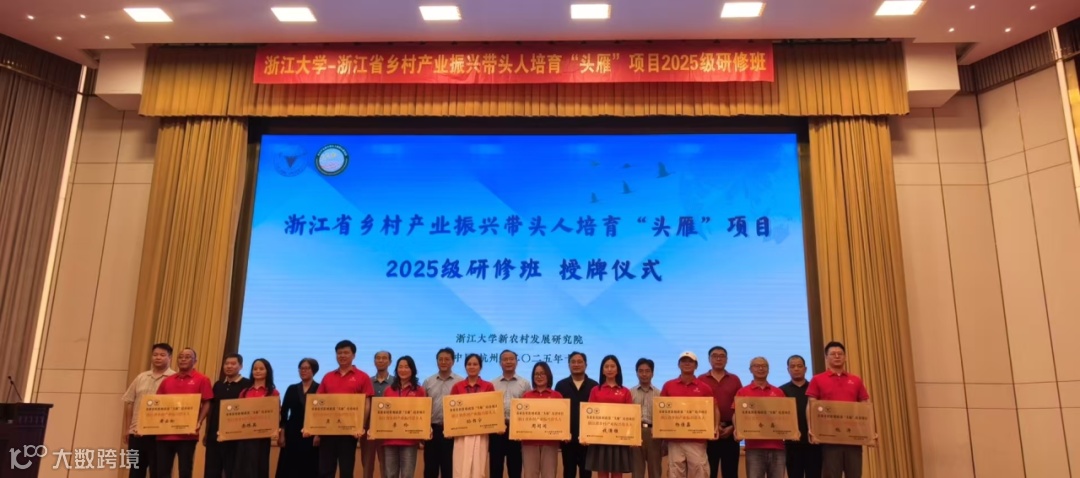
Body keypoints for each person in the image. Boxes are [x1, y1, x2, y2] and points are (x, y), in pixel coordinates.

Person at [807, 342, 872, 478]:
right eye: (832, 354)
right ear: (826, 357)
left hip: (853, 437)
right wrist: (811, 429)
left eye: (840, 354)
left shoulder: (856, 380)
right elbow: (811, 405)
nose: (837, 356)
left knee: (855, 474)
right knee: (831, 475)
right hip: (830, 438)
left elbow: (865, 406)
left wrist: (869, 431)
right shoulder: (817, 379)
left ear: (845, 357)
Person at [315, 340, 376, 478]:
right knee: (325, 470)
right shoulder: (328, 376)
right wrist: (317, 429)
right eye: (339, 353)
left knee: (346, 470)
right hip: (328, 430)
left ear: (353, 355)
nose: (342, 355)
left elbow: (367, 403)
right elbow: (319, 404)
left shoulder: (363, 376)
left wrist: (360, 426)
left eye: (346, 353)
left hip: (350, 431)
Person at [155, 347, 213, 478]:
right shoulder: (167, 380)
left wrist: (199, 422)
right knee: (162, 471)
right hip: (164, 434)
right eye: (180, 357)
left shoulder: (202, 379)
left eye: (187, 357)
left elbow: (207, 402)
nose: (183, 359)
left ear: (195, 361)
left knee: (185, 471)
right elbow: (158, 403)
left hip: (187, 434)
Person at [121, 343, 176, 478]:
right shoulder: (141, 377)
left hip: (160, 434)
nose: (158, 358)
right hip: (137, 433)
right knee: (135, 471)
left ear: (170, 357)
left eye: (162, 355)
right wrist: (128, 428)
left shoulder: (174, 378)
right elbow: (129, 401)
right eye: (155, 355)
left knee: (158, 472)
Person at [660, 352, 718, 478]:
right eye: (683, 361)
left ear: (696, 366)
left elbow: (714, 409)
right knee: (675, 471)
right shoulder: (668, 385)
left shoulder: (704, 388)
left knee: (699, 470)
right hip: (675, 439)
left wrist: (715, 428)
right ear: (678, 365)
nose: (687, 363)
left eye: (690, 361)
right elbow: (661, 412)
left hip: (697, 439)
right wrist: (661, 433)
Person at [733, 358, 786, 478]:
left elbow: (786, 416)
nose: (761, 368)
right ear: (750, 369)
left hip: (777, 447)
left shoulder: (778, 392)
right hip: (754, 448)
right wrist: (737, 429)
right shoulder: (743, 392)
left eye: (764, 366)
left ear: (768, 369)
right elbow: (736, 414)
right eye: (757, 366)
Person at [584, 355, 633, 478]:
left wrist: (633, 437)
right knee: (602, 473)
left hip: (619, 438)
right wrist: (586, 435)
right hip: (600, 438)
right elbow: (589, 416)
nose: (609, 369)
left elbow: (631, 416)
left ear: (618, 370)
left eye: (612, 366)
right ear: (602, 370)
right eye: (606, 366)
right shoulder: (595, 390)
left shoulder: (625, 391)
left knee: (617, 473)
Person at [232, 359, 280, 478]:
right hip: (244, 436)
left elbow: (276, 415)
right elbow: (237, 414)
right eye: (255, 369)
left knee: (259, 468)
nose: (257, 371)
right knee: (242, 468)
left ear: (267, 371)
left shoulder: (273, 393)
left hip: (262, 437)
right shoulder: (244, 392)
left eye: (261, 369)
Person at [206, 353, 252, 478]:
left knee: (233, 471)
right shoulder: (218, 385)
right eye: (226, 364)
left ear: (241, 366)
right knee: (211, 471)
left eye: (233, 364)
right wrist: (208, 433)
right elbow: (212, 410)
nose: (229, 366)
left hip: (235, 437)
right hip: (215, 435)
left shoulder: (247, 385)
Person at [451, 353, 496, 478]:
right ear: (465, 366)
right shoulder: (457, 387)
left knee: (478, 468)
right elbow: (451, 411)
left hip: (481, 433)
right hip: (461, 433)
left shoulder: (488, 386)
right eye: (469, 364)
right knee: (460, 467)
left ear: (480, 367)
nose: (472, 367)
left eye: (475, 364)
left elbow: (493, 410)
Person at [699, 346, 741, 478]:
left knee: (731, 472)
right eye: (715, 356)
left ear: (727, 359)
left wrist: (733, 427)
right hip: (708, 433)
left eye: (722, 356)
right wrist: (712, 426)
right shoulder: (701, 379)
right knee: (708, 472)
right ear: (709, 359)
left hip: (730, 432)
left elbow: (740, 407)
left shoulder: (735, 379)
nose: (718, 359)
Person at [555, 352, 598, 478]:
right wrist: (561, 433)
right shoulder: (561, 385)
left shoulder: (594, 386)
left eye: (579, 362)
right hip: (567, 439)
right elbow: (557, 412)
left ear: (586, 365)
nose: (576, 364)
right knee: (568, 472)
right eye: (573, 362)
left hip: (587, 440)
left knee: (586, 473)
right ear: (568, 365)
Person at [276, 358, 321, 478]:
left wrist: (318, 434)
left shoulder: (320, 389)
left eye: (307, 368)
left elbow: (322, 415)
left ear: (314, 370)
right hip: (292, 432)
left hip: (311, 433)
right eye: (301, 368)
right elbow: (284, 413)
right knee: (289, 467)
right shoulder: (292, 388)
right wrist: (282, 434)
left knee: (309, 467)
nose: (303, 371)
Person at [382, 356, 426, 478]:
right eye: (400, 367)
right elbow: (382, 414)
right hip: (390, 439)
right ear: (396, 370)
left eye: (406, 367)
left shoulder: (419, 391)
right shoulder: (388, 390)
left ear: (412, 370)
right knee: (390, 474)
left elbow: (423, 414)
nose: (403, 370)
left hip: (409, 440)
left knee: (407, 475)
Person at [423, 347, 463, 478]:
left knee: (449, 469)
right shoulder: (428, 382)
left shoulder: (460, 382)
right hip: (432, 431)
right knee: (430, 469)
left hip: (452, 432)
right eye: (440, 359)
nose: (443, 362)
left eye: (447, 359)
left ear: (453, 361)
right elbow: (422, 407)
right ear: (437, 361)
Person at [519, 362, 563, 478]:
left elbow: (562, 420)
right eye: (536, 374)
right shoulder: (526, 396)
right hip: (529, 442)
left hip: (550, 442)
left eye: (542, 373)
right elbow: (521, 420)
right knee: (530, 475)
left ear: (548, 375)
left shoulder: (557, 396)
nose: (539, 376)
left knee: (549, 475)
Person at [780, 355, 821, 478]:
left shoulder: (815, 389)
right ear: (788, 369)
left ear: (805, 369)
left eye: (799, 366)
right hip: (792, 444)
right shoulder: (781, 391)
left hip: (814, 443)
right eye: (792, 366)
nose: (796, 369)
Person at [491, 350, 529, 478]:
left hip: (516, 431)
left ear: (516, 362)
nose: (508, 362)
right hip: (497, 431)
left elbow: (528, 408)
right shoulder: (492, 384)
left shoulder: (524, 383)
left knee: (515, 468)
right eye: (505, 359)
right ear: (500, 363)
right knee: (495, 468)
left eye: (511, 359)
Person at [363, 351, 394, 478]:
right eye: (378, 358)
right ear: (374, 361)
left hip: (388, 430)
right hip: (368, 429)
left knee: (386, 465)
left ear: (390, 362)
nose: (381, 360)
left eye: (384, 358)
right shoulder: (367, 381)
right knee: (367, 464)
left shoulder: (396, 382)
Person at [629, 358, 662, 478]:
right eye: (641, 371)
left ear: (652, 373)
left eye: (647, 371)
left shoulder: (659, 394)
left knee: (655, 470)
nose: (644, 374)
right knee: (637, 471)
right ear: (636, 373)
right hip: (636, 433)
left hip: (654, 434)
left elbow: (663, 417)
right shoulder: (630, 393)